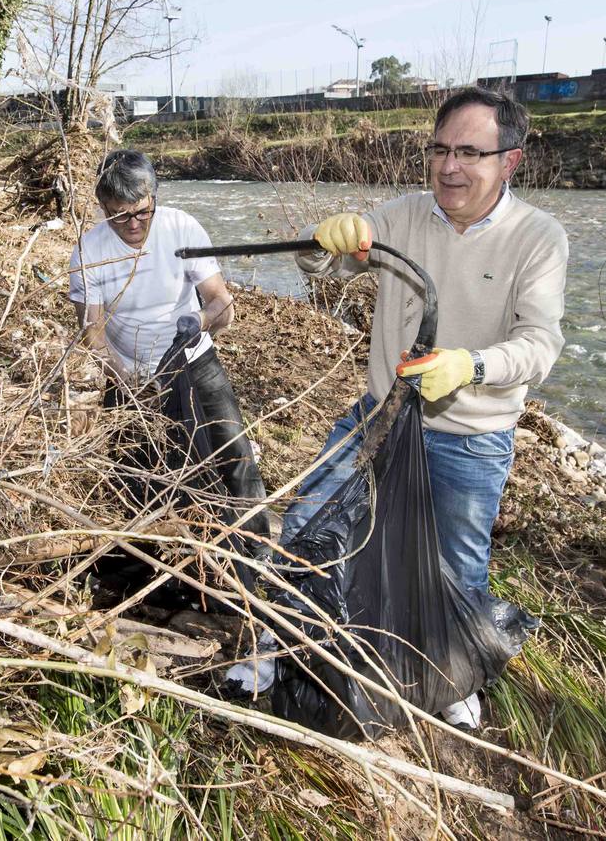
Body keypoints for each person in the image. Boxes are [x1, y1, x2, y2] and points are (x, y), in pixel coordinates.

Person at [285, 87, 569, 728]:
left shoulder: (538, 239)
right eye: (440, 149)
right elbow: (327, 263)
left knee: (457, 571)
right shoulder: (405, 215)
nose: (449, 167)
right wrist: (322, 240)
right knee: (307, 524)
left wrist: (467, 365)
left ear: (510, 162)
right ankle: (292, 643)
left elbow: (540, 344)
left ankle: (452, 680)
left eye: (470, 152)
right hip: (379, 418)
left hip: (471, 436)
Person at [69, 149, 270, 584]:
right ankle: (160, 569)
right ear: (104, 210)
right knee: (142, 472)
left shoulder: (181, 227)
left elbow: (222, 304)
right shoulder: (89, 251)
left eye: (142, 212)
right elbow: (94, 335)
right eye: (120, 217)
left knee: (232, 452)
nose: (134, 224)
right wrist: (130, 383)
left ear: (154, 198)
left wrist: (198, 321)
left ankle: (258, 555)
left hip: (193, 358)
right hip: (130, 374)